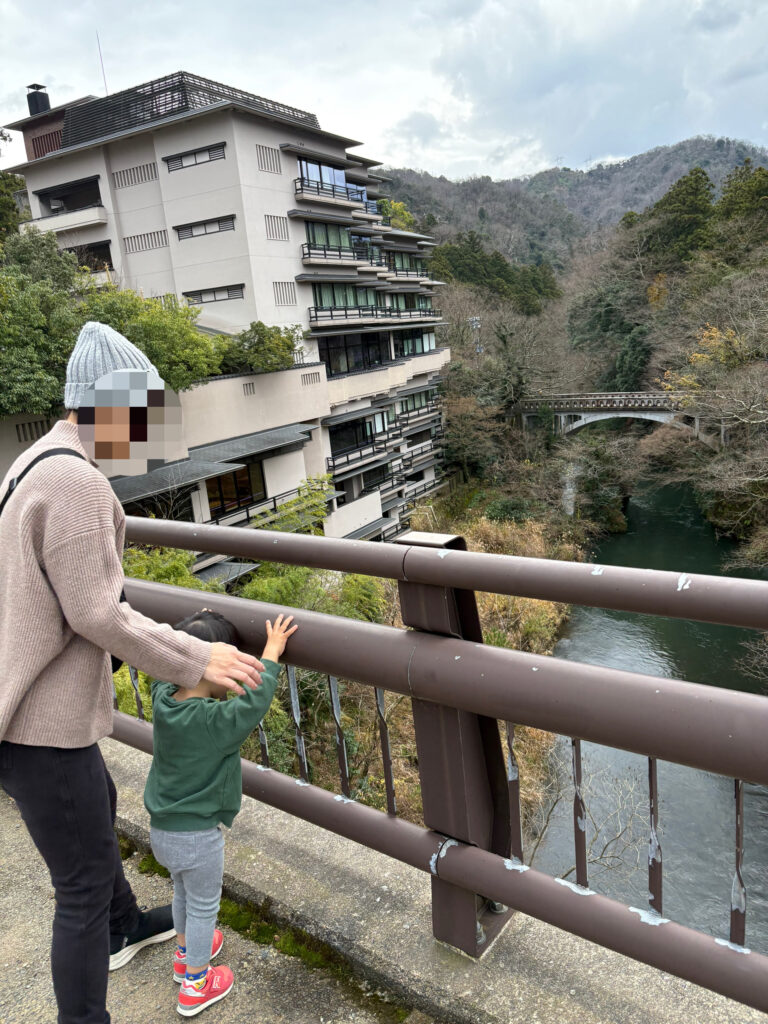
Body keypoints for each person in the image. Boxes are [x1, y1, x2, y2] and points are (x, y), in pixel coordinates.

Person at [0, 322, 264, 1024]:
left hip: (27, 712)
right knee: (81, 885)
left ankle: (124, 927)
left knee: (97, 817)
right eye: (142, 412)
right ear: (110, 405)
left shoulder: (33, 463)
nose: (144, 431)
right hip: (40, 725)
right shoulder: (77, 484)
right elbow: (99, 613)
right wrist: (198, 656)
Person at [144, 608, 297, 1017]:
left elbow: (164, 668)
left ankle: (184, 954)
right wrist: (271, 652)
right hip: (197, 837)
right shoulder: (214, 720)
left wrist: (189, 634)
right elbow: (252, 705)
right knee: (203, 907)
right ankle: (196, 983)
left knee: (183, 893)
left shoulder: (163, 699)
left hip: (163, 830)